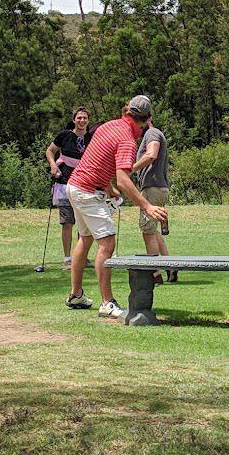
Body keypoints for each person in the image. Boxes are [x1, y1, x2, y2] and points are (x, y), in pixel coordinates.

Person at [66, 95, 168, 321]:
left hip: (75, 186)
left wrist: (107, 186)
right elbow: (124, 179)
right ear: (146, 121)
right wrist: (147, 205)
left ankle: (76, 295)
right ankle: (107, 303)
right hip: (87, 192)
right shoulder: (127, 141)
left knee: (85, 239)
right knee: (108, 242)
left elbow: (97, 159)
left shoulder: (107, 126)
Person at [44, 106, 91, 266]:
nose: (82, 120)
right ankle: (67, 258)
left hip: (84, 184)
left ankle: (82, 257)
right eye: (79, 118)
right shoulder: (64, 135)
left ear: (88, 121)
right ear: (74, 120)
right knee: (67, 222)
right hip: (64, 182)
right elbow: (50, 151)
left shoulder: (91, 138)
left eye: (85, 118)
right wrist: (53, 165)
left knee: (84, 223)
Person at [133, 114, 176, 281]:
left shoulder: (151, 133)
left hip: (152, 188)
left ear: (148, 120)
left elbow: (151, 155)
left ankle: (155, 273)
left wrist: (131, 168)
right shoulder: (154, 133)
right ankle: (170, 267)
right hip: (158, 188)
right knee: (153, 230)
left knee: (147, 230)